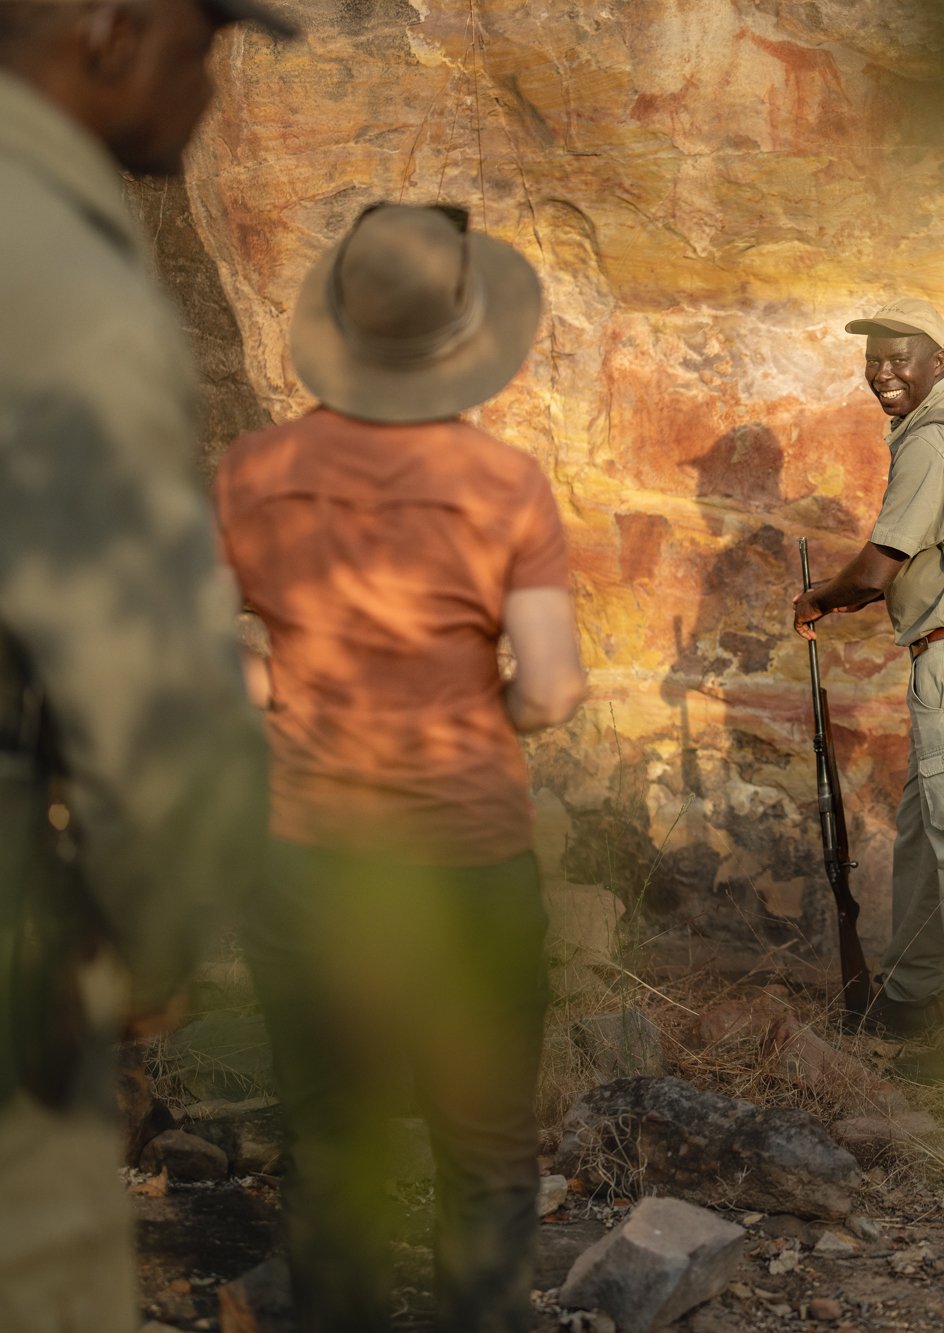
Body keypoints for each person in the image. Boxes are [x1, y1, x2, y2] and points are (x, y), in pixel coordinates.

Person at [212, 203, 586, 1333]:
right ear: (459, 335)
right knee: (484, 1149)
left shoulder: (252, 470)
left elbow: (204, 655)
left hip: (311, 857)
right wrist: (481, 709)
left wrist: (284, 690)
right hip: (466, 853)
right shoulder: (504, 482)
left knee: (331, 1144)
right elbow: (553, 687)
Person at [0, 1, 290, 1329]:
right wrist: (157, 926)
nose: (213, 92)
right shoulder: (63, 285)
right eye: (204, 48)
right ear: (112, 31)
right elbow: (130, 674)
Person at [791, 297, 944, 1085]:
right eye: (873, 358)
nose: (883, 371)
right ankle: (912, 993)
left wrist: (819, 599)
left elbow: (876, 569)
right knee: (929, 832)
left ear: (939, 361)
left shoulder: (934, 440)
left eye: (901, 356)